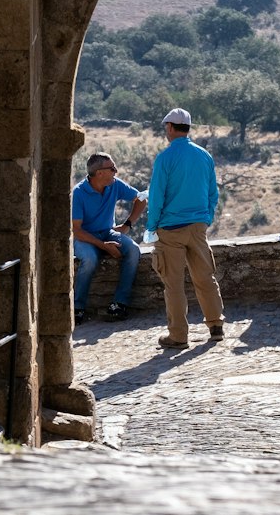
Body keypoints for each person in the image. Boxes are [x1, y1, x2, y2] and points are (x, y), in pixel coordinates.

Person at [146, 107, 225, 350]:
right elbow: (213, 192)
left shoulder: (165, 158)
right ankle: (216, 326)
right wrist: (206, 217)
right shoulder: (204, 155)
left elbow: (157, 196)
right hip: (198, 226)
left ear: (170, 127)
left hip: (170, 228)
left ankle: (178, 336)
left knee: (174, 284)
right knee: (205, 277)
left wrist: (152, 226)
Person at [71, 152, 147, 326]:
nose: (116, 171)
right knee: (89, 259)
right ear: (99, 173)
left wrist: (128, 224)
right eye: (112, 168)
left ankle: (119, 304)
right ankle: (77, 308)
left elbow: (141, 199)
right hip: (84, 237)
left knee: (133, 250)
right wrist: (104, 246)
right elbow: (76, 230)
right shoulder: (79, 193)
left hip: (107, 232)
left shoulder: (115, 185)